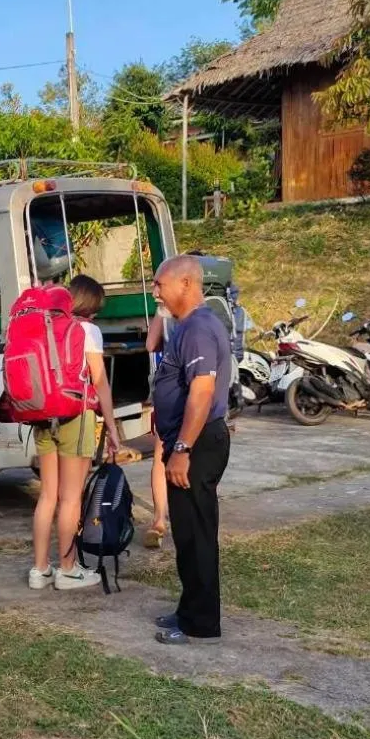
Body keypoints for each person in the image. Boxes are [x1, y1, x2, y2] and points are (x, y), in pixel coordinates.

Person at [150, 255, 232, 645]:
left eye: (159, 284)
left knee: (197, 533)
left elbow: (201, 393)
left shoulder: (199, 328)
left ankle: (200, 623)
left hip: (197, 446)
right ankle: (190, 610)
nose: (155, 292)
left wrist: (182, 447)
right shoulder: (186, 327)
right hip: (189, 443)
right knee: (187, 533)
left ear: (185, 284)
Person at [29, 274, 122, 590]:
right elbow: (100, 383)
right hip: (76, 415)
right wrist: (112, 429)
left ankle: (39, 569)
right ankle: (67, 569)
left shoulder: (46, 325)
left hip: (43, 415)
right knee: (71, 498)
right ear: (91, 306)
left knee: (47, 496)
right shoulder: (88, 331)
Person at [143, 298, 172, 550]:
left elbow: (151, 344)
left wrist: (162, 310)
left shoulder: (167, 309)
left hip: (170, 393)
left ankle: (159, 519)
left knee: (161, 457)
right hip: (198, 395)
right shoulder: (210, 310)